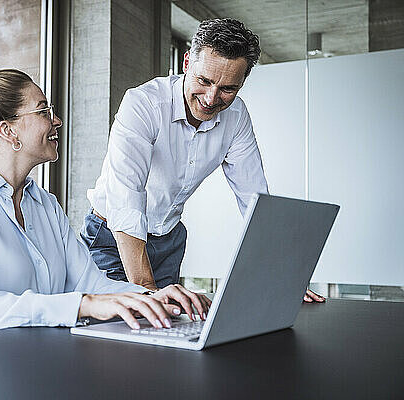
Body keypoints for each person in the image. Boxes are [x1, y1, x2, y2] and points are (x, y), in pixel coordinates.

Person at [0, 56, 212, 340]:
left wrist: (155, 296)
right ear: (8, 131)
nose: (56, 120)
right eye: (43, 112)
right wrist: (83, 304)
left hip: (39, 360)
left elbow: (92, 283)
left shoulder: (45, 205)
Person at [81, 18, 324, 303]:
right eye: (204, 81)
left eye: (227, 89)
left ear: (242, 83)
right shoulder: (143, 104)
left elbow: (255, 199)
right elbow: (126, 198)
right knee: (112, 334)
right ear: (186, 63)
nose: (211, 99)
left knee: (164, 338)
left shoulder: (236, 118)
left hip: (169, 239)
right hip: (113, 238)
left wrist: (282, 275)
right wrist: (147, 289)